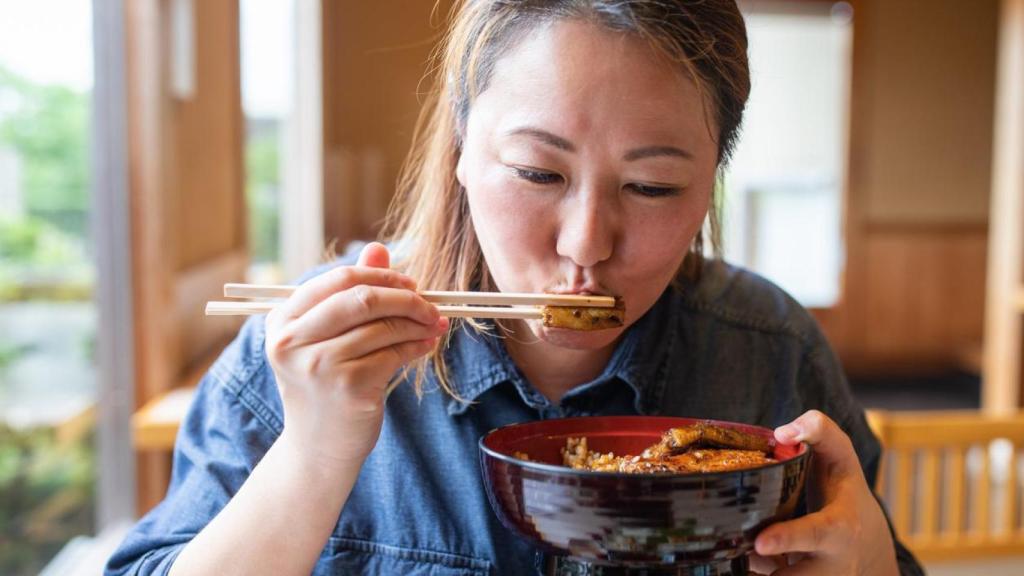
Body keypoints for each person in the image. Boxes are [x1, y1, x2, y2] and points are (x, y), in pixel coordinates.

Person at [107, 1, 924, 574]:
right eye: (539, 171)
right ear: (461, 147)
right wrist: (316, 451)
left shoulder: (769, 354)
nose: (584, 244)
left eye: (653, 188)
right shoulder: (312, 351)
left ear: (714, 177)